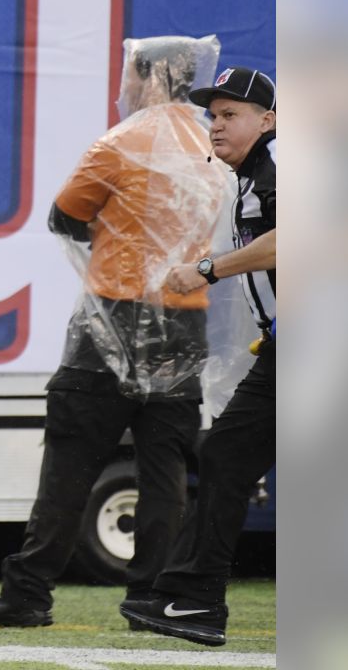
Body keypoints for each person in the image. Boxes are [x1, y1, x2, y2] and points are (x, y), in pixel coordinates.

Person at [0, 36, 229, 628]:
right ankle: (150, 599)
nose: (124, 88)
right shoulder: (214, 146)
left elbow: (66, 214)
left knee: (69, 462)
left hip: (111, 315)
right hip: (185, 321)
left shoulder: (125, 140)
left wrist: (118, 233)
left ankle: (28, 593)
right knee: (164, 470)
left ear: (151, 76)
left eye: (130, 76)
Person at [121, 66, 277, 647]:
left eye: (231, 114)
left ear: (270, 120)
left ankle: (194, 595)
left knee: (228, 454)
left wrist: (206, 269)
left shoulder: (283, 157)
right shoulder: (256, 172)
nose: (217, 125)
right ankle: (192, 596)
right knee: (227, 456)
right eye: (213, 114)